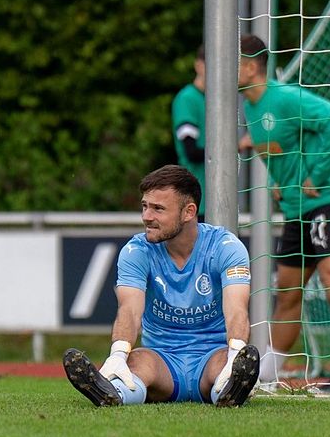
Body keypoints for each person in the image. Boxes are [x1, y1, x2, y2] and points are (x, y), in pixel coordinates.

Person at [63, 165, 260, 408]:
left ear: (188, 212)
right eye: (145, 206)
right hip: (162, 360)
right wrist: (118, 355)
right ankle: (112, 393)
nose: (146, 216)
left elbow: (237, 310)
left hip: (212, 355)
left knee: (224, 371)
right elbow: (129, 310)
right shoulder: (136, 251)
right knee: (136, 364)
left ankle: (231, 388)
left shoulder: (226, 247)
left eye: (158, 208)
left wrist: (235, 352)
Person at [238, 34, 330, 392]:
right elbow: (282, 147)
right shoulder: (250, 106)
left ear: (250, 67)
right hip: (296, 210)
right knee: (289, 294)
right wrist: (283, 181)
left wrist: (318, 173)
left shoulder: (285, 97)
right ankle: (266, 375)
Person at [171, 45, 207, 221]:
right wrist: (233, 148)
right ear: (198, 65)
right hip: (198, 200)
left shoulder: (214, 100)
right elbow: (191, 152)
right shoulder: (187, 99)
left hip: (217, 196)